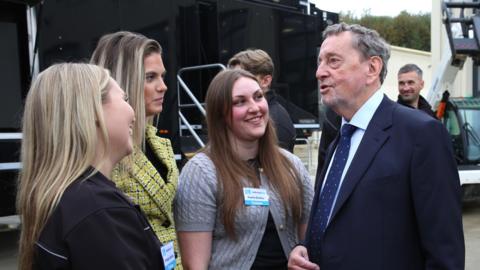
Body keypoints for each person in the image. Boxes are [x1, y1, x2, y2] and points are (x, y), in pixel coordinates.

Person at [288, 23, 464, 270]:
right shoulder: (339, 133)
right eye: (319, 62)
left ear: (372, 68)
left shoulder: (421, 133)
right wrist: (304, 248)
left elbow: (445, 252)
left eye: (333, 61)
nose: (319, 72)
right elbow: (333, 215)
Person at [17, 63, 164, 270]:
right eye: (124, 99)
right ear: (93, 109)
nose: (133, 111)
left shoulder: (69, 200)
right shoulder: (99, 211)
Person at [174, 69, 314, 269]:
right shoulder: (201, 172)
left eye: (258, 97)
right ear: (220, 114)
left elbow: (309, 241)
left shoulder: (291, 165)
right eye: (240, 102)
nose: (255, 108)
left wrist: (300, 251)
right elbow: (196, 265)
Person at [91, 31, 181, 267]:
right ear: (122, 81)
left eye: (162, 76)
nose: (163, 86)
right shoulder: (103, 154)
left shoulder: (161, 143)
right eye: (150, 77)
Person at [228, 49, 296, 152]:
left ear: (265, 81)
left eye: (244, 77)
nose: (235, 83)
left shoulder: (274, 122)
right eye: (233, 78)